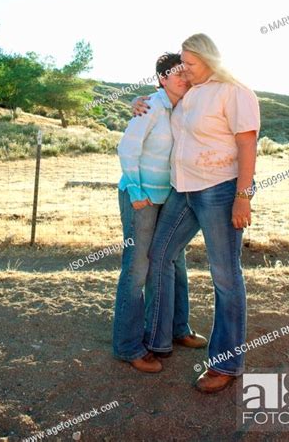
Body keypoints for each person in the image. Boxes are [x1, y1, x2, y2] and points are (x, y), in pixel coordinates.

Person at [133, 34, 260, 392]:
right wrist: (137, 102)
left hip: (220, 191)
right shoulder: (190, 92)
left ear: (208, 59)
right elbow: (162, 100)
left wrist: (243, 196)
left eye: (189, 63)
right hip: (183, 190)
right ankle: (160, 340)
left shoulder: (234, 91)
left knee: (225, 275)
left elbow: (247, 143)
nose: (184, 69)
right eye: (182, 64)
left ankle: (226, 364)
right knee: (160, 254)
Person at [113, 53, 207, 373]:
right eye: (176, 73)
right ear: (162, 78)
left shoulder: (184, 106)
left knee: (173, 261)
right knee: (138, 268)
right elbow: (127, 148)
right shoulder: (150, 105)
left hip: (171, 197)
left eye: (186, 72)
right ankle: (128, 346)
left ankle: (177, 329)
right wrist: (137, 193)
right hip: (142, 197)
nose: (183, 77)